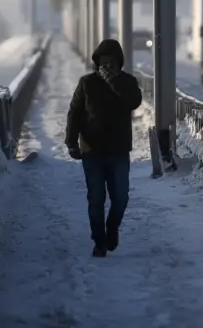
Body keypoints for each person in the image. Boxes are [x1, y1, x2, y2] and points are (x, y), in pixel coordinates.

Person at [65, 39, 142, 257]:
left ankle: (113, 227)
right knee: (96, 198)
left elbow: (134, 102)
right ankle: (99, 241)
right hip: (92, 151)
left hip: (118, 150)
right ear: (97, 63)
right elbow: (75, 113)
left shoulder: (128, 82)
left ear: (119, 63)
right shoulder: (86, 83)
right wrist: (71, 142)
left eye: (111, 63)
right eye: (103, 62)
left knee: (121, 197)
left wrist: (114, 83)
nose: (107, 66)